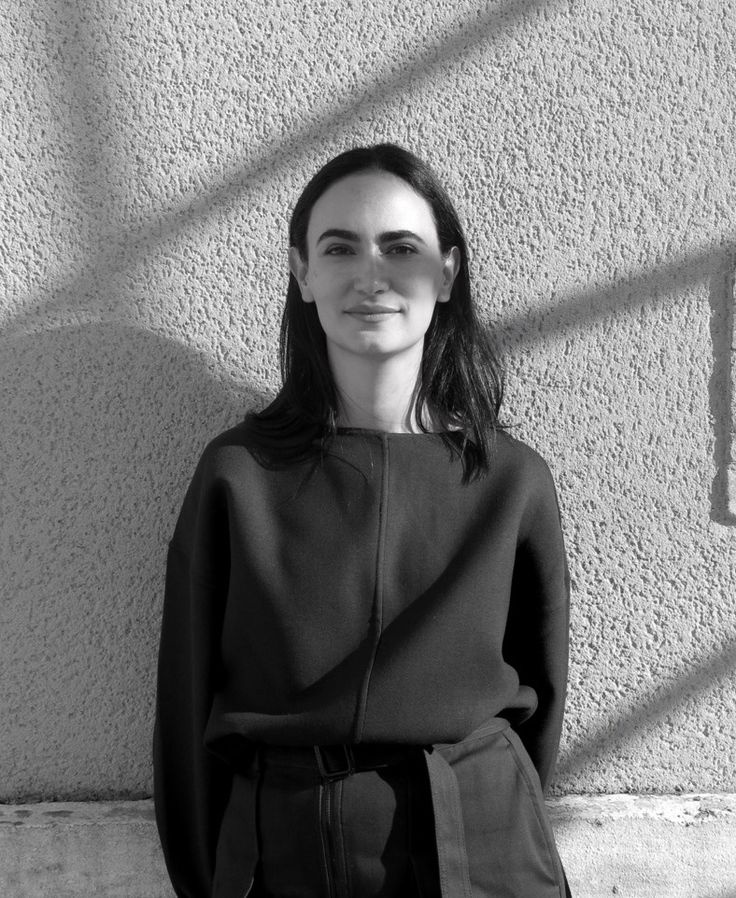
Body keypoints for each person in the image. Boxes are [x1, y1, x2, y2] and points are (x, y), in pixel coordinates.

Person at [154, 143, 572, 898]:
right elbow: (186, 710)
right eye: (339, 247)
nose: (370, 275)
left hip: (483, 847)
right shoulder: (237, 475)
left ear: (447, 273)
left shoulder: (512, 481)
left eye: (400, 248)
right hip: (283, 856)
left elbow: (540, 693)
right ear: (302, 273)